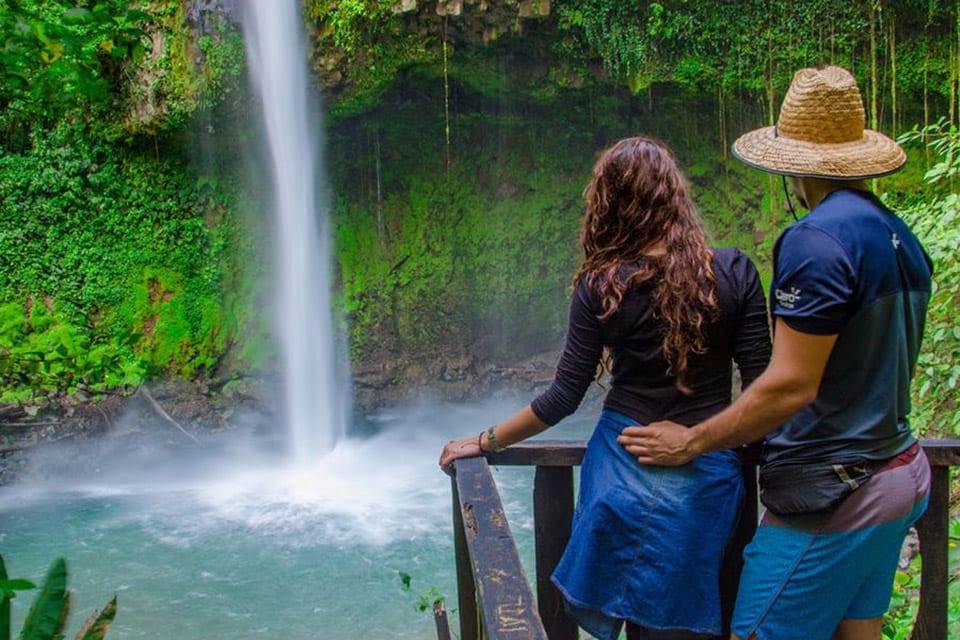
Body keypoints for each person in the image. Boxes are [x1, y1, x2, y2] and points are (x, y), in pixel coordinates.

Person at [618, 66, 933, 640]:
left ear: (791, 161)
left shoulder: (815, 241)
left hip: (835, 490)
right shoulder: (899, 236)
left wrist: (693, 440)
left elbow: (791, 384)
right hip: (899, 472)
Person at [440, 136, 772, 640]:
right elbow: (763, 390)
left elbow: (563, 397)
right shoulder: (733, 272)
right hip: (709, 462)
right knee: (698, 605)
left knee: (635, 604)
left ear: (609, 204)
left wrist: (484, 441)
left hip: (622, 465)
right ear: (674, 196)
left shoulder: (602, 284)